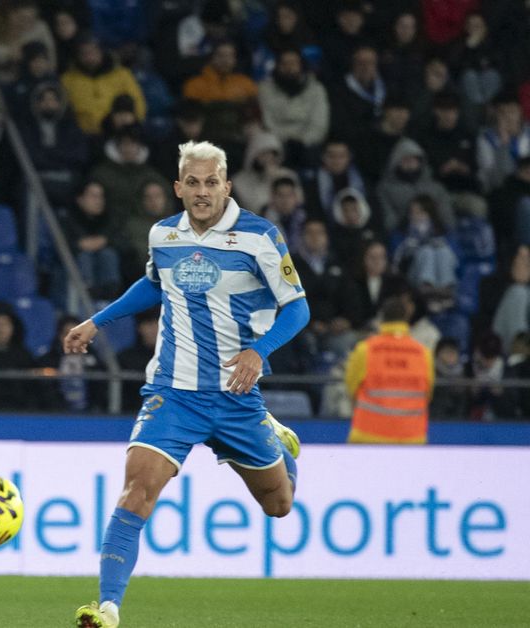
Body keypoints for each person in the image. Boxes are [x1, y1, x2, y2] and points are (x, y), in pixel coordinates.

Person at [64, 140, 308, 627]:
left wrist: (259, 351)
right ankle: (107, 608)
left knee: (279, 505)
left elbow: (297, 308)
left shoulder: (260, 236)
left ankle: (275, 438)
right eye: (192, 183)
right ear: (178, 188)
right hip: (173, 392)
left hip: (236, 395)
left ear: (227, 186)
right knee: (137, 489)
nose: (202, 192)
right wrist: (97, 321)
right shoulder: (163, 235)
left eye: (211, 182)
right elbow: (154, 284)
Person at [343, 296, 434, 444]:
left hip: (368, 434)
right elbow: (427, 393)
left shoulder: (365, 350)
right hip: (411, 437)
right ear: (407, 317)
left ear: (382, 318)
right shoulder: (423, 353)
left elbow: (351, 387)